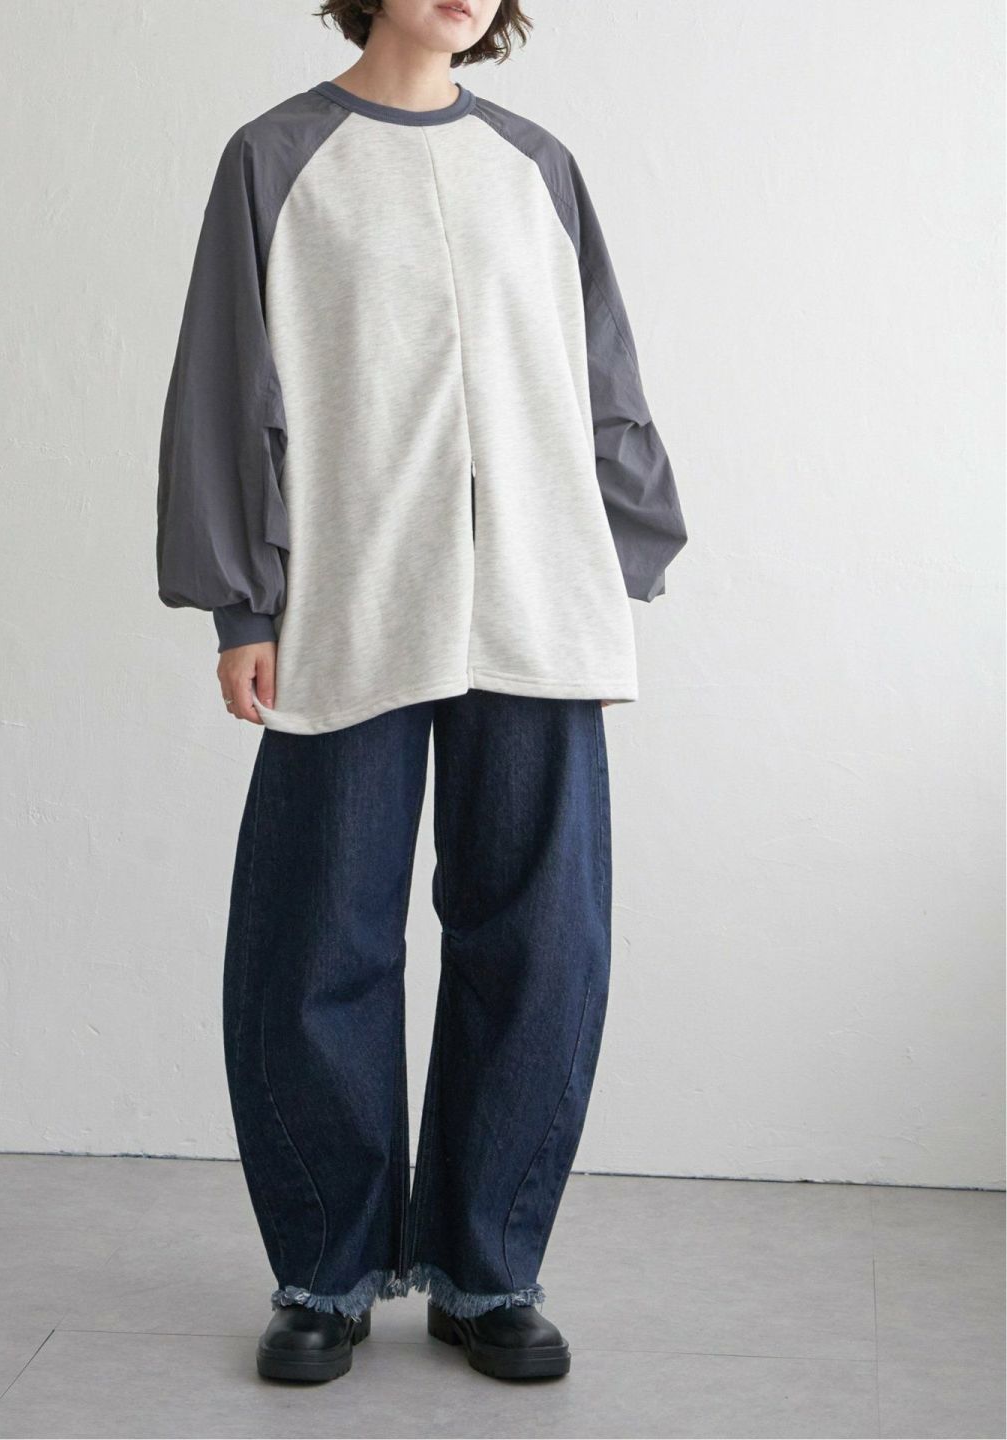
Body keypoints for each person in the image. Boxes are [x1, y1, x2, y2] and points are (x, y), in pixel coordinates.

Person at [156, 0, 687, 1383]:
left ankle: (486, 1268)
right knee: (315, 939)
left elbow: (598, 369)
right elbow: (228, 385)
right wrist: (243, 600)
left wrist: (624, 544)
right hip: (352, 603)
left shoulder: (538, 166)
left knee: (540, 943)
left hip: (536, 603)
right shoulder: (277, 158)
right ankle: (324, 1273)